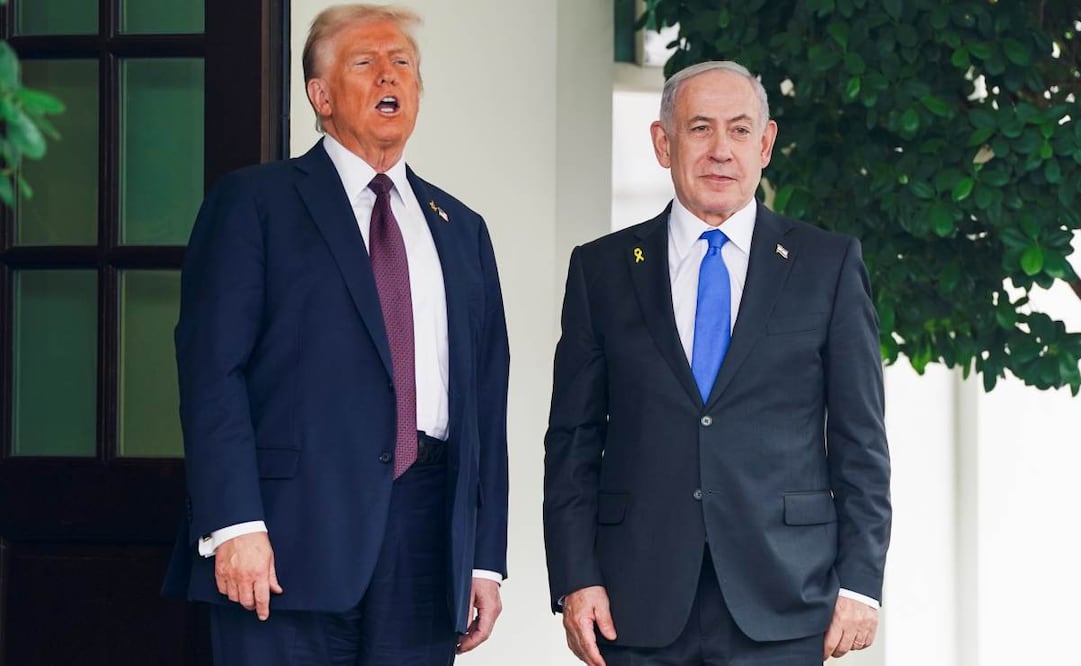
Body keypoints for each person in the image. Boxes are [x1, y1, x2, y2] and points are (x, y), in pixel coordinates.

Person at [161, 5, 510, 665]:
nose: (390, 75)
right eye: (365, 62)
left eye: (402, 63)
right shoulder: (255, 203)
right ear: (320, 96)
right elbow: (212, 370)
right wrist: (234, 523)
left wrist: (484, 558)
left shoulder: (459, 228)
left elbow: (483, 407)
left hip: (426, 543)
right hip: (284, 542)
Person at [543, 60, 891, 665]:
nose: (720, 151)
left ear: (766, 143)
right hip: (634, 601)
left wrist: (861, 581)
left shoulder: (827, 266)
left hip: (786, 598)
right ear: (663, 143)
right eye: (700, 128)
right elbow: (571, 442)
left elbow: (862, 440)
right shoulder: (600, 271)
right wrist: (576, 576)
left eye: (738, 130)